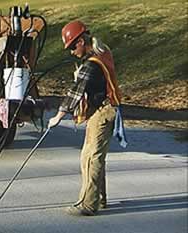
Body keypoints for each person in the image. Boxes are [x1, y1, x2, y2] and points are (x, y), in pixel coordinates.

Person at [48, 20, 123, 216]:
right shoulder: (101, 51)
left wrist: (58, 116)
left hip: (102, 112)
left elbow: (75, 92)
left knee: (90, 158)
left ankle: (88, 204)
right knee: (94, 156)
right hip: (103, 110)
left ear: (81, 41)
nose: (71, 51)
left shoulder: (92, 64)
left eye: (72, 46)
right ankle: (100, 198)